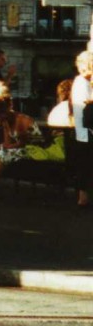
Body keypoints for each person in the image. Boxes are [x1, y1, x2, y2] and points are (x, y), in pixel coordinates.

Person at [71, 50, 93, 209]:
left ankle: (83, 198)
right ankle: (83, 198)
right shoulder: (82, 83)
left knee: (85, 165)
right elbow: (87, 107)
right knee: (86, 165)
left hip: (83, 131)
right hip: (87, 132)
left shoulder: (82, 81)